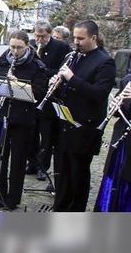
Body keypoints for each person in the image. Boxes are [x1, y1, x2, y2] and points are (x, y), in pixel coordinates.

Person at [52, 20, 116, 212]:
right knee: (62, 172)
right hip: (66, 121)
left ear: (93, 38)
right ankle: (60, 207)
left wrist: (71, 78)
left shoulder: (105, 62)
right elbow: (68, 88)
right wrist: (56, 85)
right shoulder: (74, 56)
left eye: (81, 38)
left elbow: (99, 94)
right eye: (74, 37)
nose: (76, 42)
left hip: (85, 127)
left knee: (77, 174)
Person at [0, 30, 48, 210]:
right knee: (0, 157)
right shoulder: (1, 61)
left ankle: (13, 198)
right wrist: (1, 85)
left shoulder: (37, 66)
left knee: (18, 160)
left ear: (27, 46)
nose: (15, 51)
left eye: (19, 48)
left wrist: (18, 85)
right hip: (1, 115)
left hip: (23, 118)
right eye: (12, 47)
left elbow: (40, 93)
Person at [27, 20, 73, 182]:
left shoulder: (61, 47)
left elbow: (64, 70)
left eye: (43, 36)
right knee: (31, 132)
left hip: (50, 95)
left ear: (49, 34)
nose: (39, 40)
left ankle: (42, 166)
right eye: (37, 36)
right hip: (33, 95)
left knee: (46, 134)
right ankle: (31, 162)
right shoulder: (31, 45)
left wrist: (43, 70)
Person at [94, 73, 131, 211]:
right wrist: (116, 106)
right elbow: (117, 111)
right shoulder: (128, 79)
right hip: (122, 141)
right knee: (114, 180)